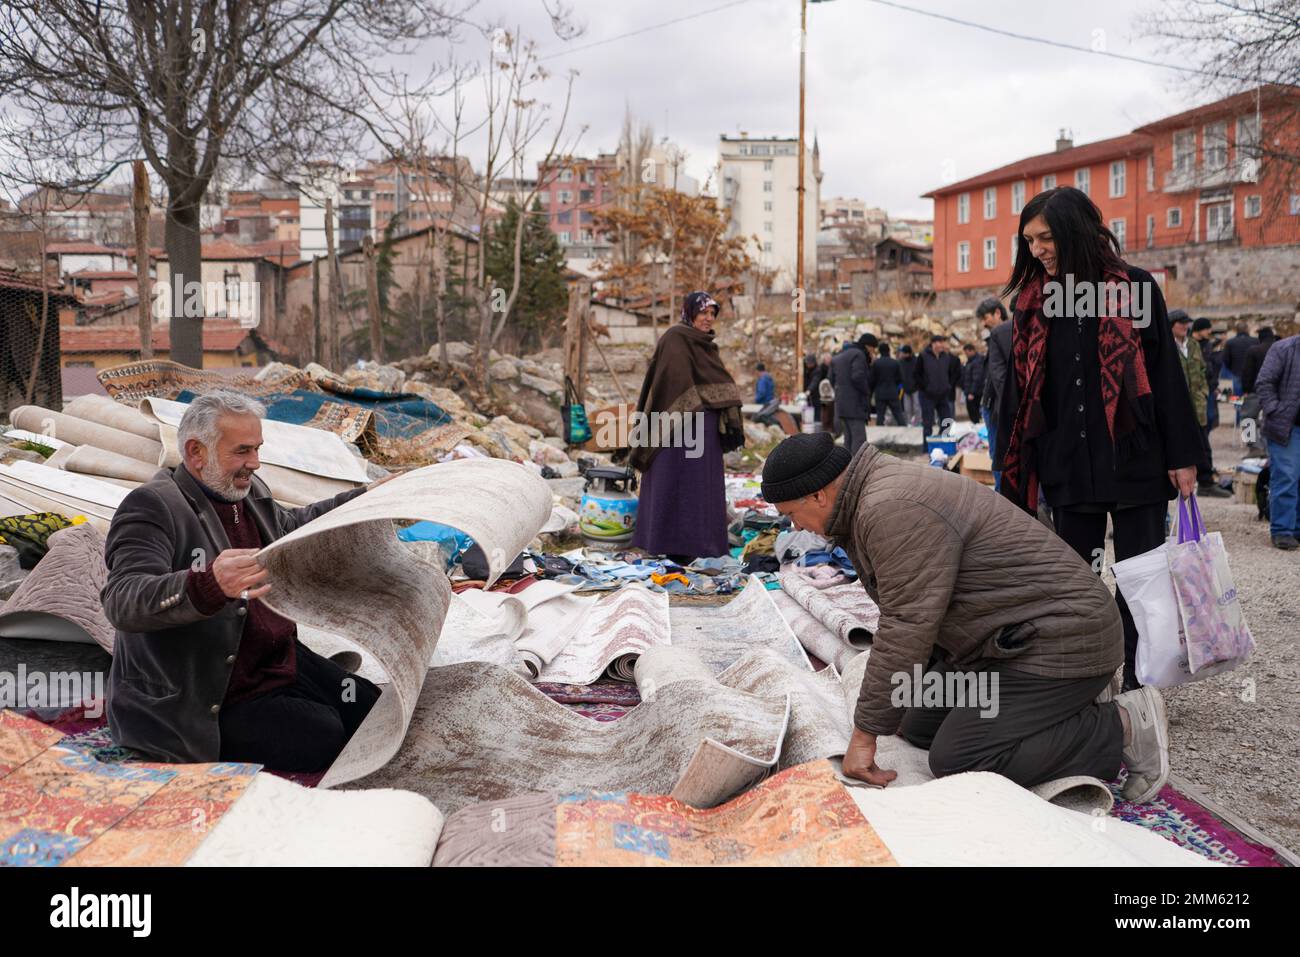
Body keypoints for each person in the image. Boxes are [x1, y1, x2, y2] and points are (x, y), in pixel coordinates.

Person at [760, 432, 1170, 802]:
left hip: (1062, 640)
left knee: (960, 755)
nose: (797, 528)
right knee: (918, 720)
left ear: (817, 496)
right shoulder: (868, 494)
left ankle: (1123, 725)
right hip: (1006, 640)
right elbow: (927, 607)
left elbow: (907, 625)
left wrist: (865, 735)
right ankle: (1064, 704)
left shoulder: (891, 508)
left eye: (791, 514)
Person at [103, 391, 387, 771]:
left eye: (257, 449)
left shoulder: (249, 494)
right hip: (205, 694)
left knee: (369, 709)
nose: (254, 463)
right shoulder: (152, 506)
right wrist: (206, 584)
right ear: (196, 452)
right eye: (242, 451)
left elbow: (294, 529)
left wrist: (368, 500)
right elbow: (122, 600)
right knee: (324, 735)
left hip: (273, 661)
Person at [995, 186, 1203, 692]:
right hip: (1068, 466)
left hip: (1135, 464)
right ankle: (1083, 682)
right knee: (1077, 587)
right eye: (1029, 241)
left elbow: (1165, 375)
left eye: (1046, 238)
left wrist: (1184, 457)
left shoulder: (1134, 289)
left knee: (1141, 582)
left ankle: (1138, 683)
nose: (1038, 249)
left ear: (1076, 232)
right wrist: (1013, 465)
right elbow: (1018, 391)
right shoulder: (1031, 303)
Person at [630, 291, 744, 564]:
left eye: (712, 313)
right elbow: (671, 383)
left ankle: (702, 545)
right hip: (674, 427)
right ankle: (666, 542)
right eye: (703, 312)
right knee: (672, 481)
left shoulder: (707, 346)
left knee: (701, 486)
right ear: (690, 312)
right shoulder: (675, 338)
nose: (708, 318)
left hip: (704, 426)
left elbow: (720, 384)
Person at [1171, 310, 1230, 498]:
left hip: (1198, 405)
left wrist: (1204, 393)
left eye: (1186, 323)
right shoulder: (1167, 346)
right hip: (1177, 407)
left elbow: (1203, 370)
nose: (1184, 326)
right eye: (1180, 323)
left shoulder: (1193, 345)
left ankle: (1205, 481)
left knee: (1203, 444)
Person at [1255, 333, 1300, 550]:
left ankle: (1297, 529)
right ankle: (1282, 530)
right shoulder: (1284, 348)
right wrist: (1275, 409)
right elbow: (1264, 382)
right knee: (1286, 477)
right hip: (1286, 428)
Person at [978, 298, 1012, 490]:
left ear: (998, 313)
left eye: (986, 317)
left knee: (999, 454)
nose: (984, 323)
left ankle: (1002, 493)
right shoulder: (996, 338)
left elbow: (999, 378)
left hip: (997, 406)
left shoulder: (1003, 335)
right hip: (992, 404)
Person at [830, 334, 872, 455]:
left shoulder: (837, 357)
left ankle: (847, 468)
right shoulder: (858, 355)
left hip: (841, 404)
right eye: (873, 349)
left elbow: (830, 379)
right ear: (868, 346)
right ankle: (858, 469)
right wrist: (866, 391)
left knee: (848, 438)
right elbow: (857, 376)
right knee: (859, 439)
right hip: (855, 404)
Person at [914, 334, 961, 437]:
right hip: (927, 395)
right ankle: (927, 448)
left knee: (947, 420)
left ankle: (943, 440)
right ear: (933, 344)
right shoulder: (923, 356)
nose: (942, 345)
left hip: (943, 395)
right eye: (940, 342)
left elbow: (950, 374)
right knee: (928, 422)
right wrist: (925, 387)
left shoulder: (946, 357)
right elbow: (916, 374)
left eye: (943, 342)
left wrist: (948, 385)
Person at [1241, 327, 1278, 455]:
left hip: (1254, 391)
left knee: (1247, 419)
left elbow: (1247, 372)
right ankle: (1270, 447)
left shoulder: (1253, 350)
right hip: (1275, 393)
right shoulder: (1280, 349)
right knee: (1272, 419)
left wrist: (1246, 389)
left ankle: (1253, 447)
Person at [1191, 317, 1223, 432]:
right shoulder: (1190, 344)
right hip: (1195, 389)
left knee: (1210, 419)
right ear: (1198, 330)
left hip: (1209, 387)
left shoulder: (1208, 345)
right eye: (1207, 329)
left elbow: (1213, 366)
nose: (1209, 331)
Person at [869, 342, 906, 426]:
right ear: (889, 351)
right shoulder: (895, 363)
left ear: (880, 351)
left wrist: (871, 392)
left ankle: (879, 434)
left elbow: (871, 380)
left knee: (880, 416)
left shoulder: (876, 363)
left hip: (880, 393)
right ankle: (905, 433)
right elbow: (900, 378)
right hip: (893, 392)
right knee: (898, 414)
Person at [1223, 321, 1258, 396]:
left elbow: (1226, 359)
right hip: (1252, 373)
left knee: (1238, 397)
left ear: (1236, 330)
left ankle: (1239, 407)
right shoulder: (1256, 341)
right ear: (1247, 329)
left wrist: (1232, 369)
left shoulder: (1230, 342)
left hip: (1236, 371)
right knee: (1252, 397)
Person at [960, 342, 986, 425]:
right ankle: (976, 425)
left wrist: (972, 392)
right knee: (972, 412)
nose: (966, 355)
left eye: (967, 353)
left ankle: (977, 427)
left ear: (972, 351)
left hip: (975, 392)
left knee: (974, 412)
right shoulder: (970, 361)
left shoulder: (977, 361)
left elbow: (977, 378)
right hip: (970, 391)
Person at [898, 343, 919, 426]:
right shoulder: (901, 362)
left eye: (903, 353)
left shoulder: (916, 361)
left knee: (917, 407)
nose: (901, 354)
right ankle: (909, 422)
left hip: (916, 388)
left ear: (908, 353)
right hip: (905, 388)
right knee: (907, 408)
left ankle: (917, 422)